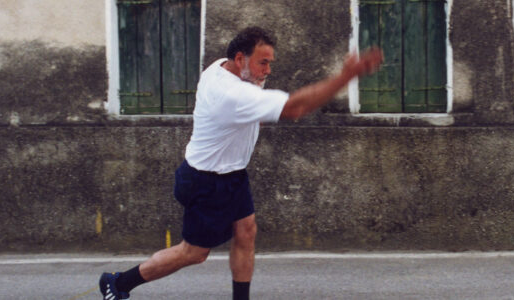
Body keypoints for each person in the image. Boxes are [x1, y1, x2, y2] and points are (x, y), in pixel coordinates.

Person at [98, 26, 382, 300]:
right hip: (204, 181)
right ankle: (117, 283)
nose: (268, 71)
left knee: (246, 232)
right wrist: (346, 76)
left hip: (232, 174)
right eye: (263, 63)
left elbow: (258, 83)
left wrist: (256, 71)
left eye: (270, 63)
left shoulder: (221, 65)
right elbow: (295, 108)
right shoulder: (232, 95)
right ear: (239, 59)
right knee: (195, 253)